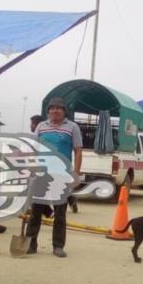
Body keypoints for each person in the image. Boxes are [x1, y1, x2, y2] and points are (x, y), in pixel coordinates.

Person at [26, 97, 82, 257]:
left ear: (64, 111)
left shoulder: (73, 127)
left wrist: (76, 173)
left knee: (60, 213)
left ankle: (58, 246)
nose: (55, 110)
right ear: (48, 111)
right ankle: (31, 244)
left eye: (59, 108)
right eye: (52, 108)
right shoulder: (41, 127)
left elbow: (78, 150)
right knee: (36, 211)